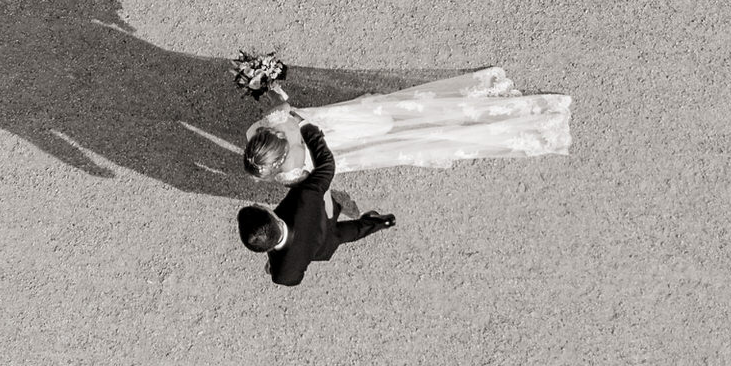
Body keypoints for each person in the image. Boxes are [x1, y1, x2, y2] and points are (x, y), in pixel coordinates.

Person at [242, 66, 571, 183]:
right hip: (332, 122)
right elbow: (286, 107)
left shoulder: (291, 171)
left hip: (340, 148)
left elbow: (314, 176)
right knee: (381, 118)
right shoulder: (259, 127)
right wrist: (276, 91)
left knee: (388, 135)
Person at [237, 120, 396, 286]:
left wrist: (274, 265)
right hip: (323, 214)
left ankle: (382, 222)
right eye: (260, 207)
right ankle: (378, 220)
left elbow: (293, 279)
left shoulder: (283, 274)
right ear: (274, 217)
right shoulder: (306, 197)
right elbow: (327, 166)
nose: (257, 204)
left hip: (323, 245)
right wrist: (309, 130)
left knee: (348, 233)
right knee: (343, 225)